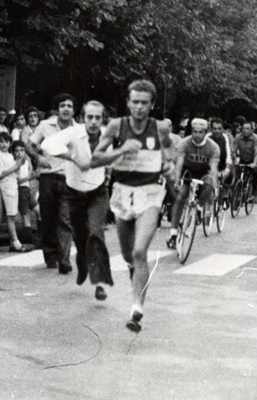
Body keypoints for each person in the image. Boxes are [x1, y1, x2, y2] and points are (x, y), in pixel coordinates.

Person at [91, 79, 173, 332]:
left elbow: (170, 152)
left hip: (150, 193)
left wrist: (170, 166)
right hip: (122, 192)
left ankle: (137, 307)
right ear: (128, 103)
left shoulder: (159, 129)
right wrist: (121, 150)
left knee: (140, 252)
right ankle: (133, 272)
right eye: (135, 102)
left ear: (152, 105)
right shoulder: (117, 126)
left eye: (144, 103)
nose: (139, 107)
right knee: (128, 255)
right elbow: (95, 159)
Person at [42, 100, 113, 300]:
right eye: (89, 117)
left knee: (96, 233)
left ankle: (99, 282)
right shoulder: (74, 133)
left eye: (97, 117)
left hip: (97, 192)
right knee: (81, 238)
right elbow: (47, 144)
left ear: (102, 119)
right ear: (82, 118)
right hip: (73, 192)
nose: (93, 121)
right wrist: (73, 157)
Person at [28, 94, 77, 274]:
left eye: (69, 106)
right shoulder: (45, 126)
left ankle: (64, 260)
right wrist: (37, 157)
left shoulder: (78, 130)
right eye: (62, 105)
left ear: (74, 110)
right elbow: (29, 145)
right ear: (57, 109)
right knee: (48, 219)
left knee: (66, 220)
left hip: (69, 180)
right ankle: (50, 255)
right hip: (48, 178)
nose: (65, 109)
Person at [165, 118, 219, 248]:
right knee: (180, 197)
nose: (197, 135)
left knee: (209, 185)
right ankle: (173, 235)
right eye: (195, 132)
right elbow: (179, 164)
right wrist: (177, 181)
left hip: (203, 172)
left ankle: (199, 208)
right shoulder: (184, 143)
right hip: (188, 170)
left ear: (206, 132)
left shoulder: (213, 147)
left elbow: (213, 168)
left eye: (201, 132)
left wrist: (213, 184)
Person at [0, 132, 31, 253]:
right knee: (8, 215)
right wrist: (16, 166)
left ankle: (13, 241)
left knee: (11, 215)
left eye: (6, 142)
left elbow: (17, 175)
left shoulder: (11, 156)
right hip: (5, 186)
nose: (4, 144)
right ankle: (15, 241)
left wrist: (18, 166)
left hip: (13, 186)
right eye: (1, 142)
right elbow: (0, 175)